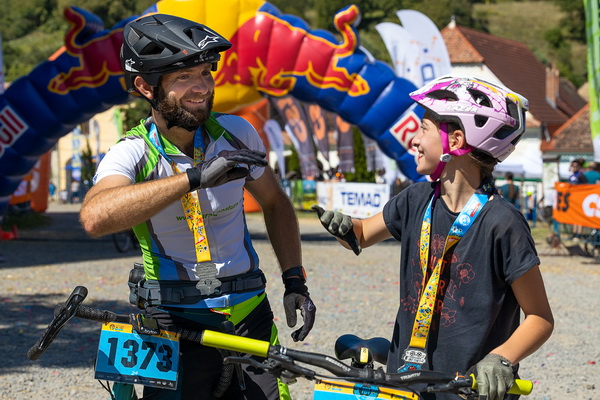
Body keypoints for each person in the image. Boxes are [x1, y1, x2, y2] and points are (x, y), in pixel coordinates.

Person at [80, 14, 316, 400]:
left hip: (248, 313)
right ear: (145, 86)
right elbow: (94, 216)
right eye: (184, 77)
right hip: (175, 322)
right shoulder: (133, 151)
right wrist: (194, 178)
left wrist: (295, 281)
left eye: (206, 73)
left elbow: (275, 203)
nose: (201, 87)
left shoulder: (237, 133)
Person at [313, 76, 554, 400]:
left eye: (423, 128)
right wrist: (344, 227)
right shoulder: (415, 199)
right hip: (406, 384)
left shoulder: (502, 222)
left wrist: (502, 358)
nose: (414, 140)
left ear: (456, 140)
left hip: (469, 389)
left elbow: (540, 317)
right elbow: (362, 234)